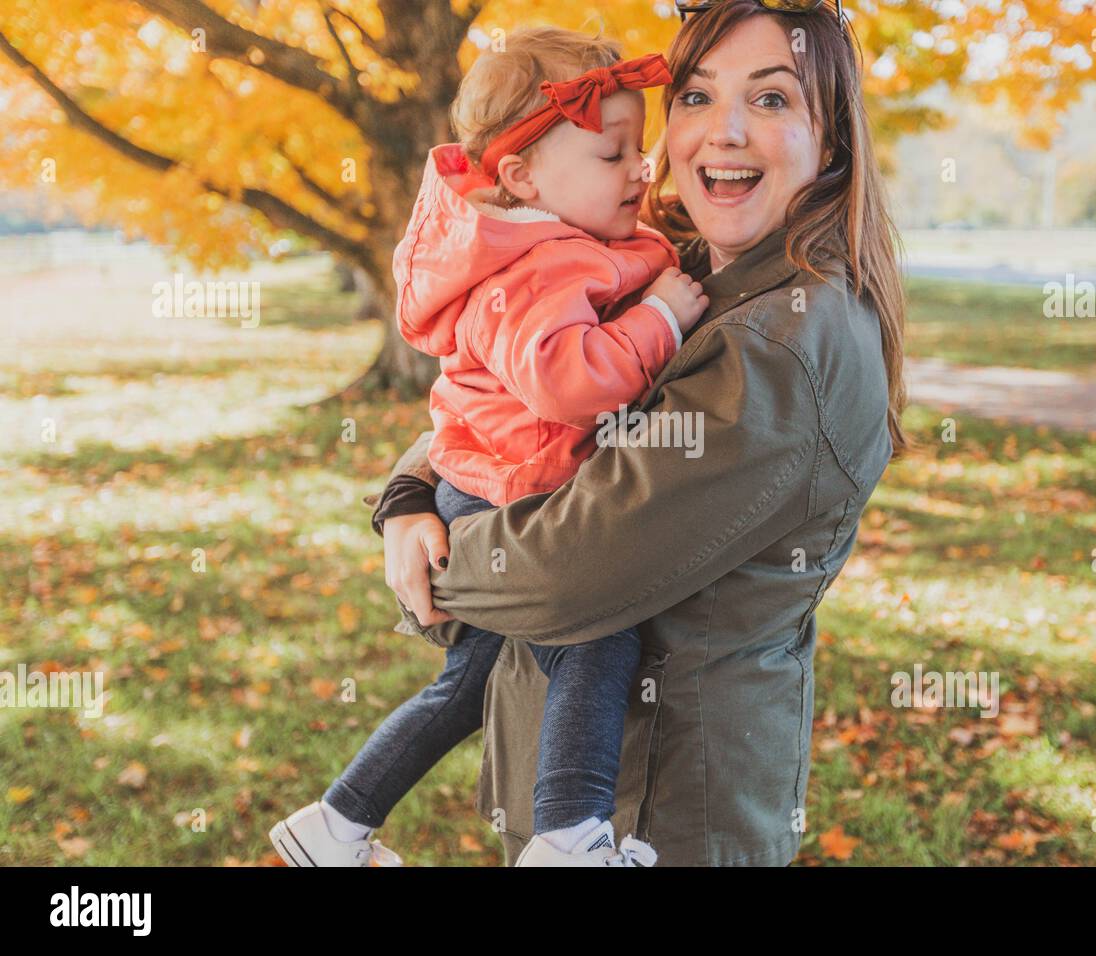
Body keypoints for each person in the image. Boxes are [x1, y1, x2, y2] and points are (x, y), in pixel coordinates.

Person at [376, 0, 908, 867]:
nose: (723, 132)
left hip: (659, 817)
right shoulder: (677, 263)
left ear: (833, 139)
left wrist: (437, 554)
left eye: (771, 101)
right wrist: (407, 499)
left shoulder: (781, 346)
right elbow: (509, 391)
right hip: (572, 787)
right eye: (696, 97)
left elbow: (569, 571)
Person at [269, 28, 709, 867]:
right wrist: (661, 318)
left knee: (463, 685)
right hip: (509, 491)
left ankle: (337, 823)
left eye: (641, 149)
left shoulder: (561, 237)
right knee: (595, 633)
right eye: (614, 153)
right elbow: (569, 381)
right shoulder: (538, 266)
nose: (641, 170)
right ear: (521, 177)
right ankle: (571, 834)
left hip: (492, 482)